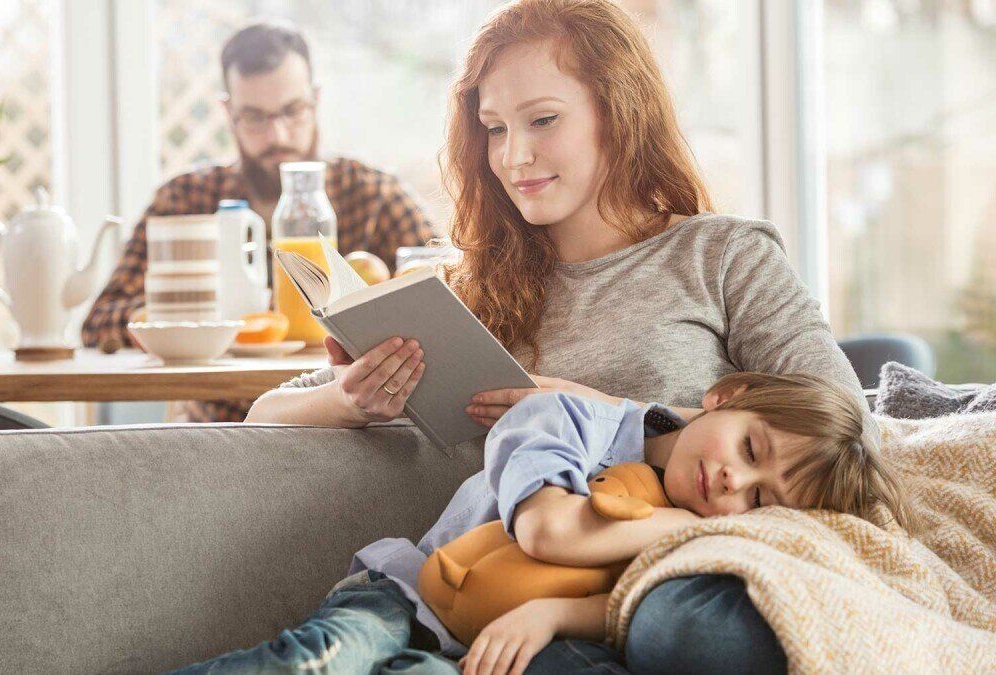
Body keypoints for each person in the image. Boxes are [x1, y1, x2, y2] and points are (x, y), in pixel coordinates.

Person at [238, 0, 867, 672]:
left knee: (694, 631)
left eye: (543, 120)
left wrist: (605, 412)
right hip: (487, 598)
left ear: (617, 111)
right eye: (494, 128)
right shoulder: (466, 293)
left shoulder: (722, 256)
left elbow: (851, 427)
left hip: (659, 589)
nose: (514, 156)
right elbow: (261, 415)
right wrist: (349, 400)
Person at [173, 372, 908, 674]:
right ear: (725, 395)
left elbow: (619, 605)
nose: (732, 484)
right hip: (407, 598)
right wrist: (690, 529)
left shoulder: (715, 532)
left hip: (499, 650)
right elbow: (548, 533)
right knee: (322, 658)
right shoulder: (567, 418)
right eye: (751, 449)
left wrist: (555, 612)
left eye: (760, 502)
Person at [82, 21, 437, 423]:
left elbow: (449, 292)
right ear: (227, 112)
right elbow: (100, 321)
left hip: (348, 430)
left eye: (292, 111)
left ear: (315, 100)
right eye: (254, 118)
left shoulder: (373, 196)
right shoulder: (186, 200)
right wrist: (204, 318)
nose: (277, 134)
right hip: (218, 427)